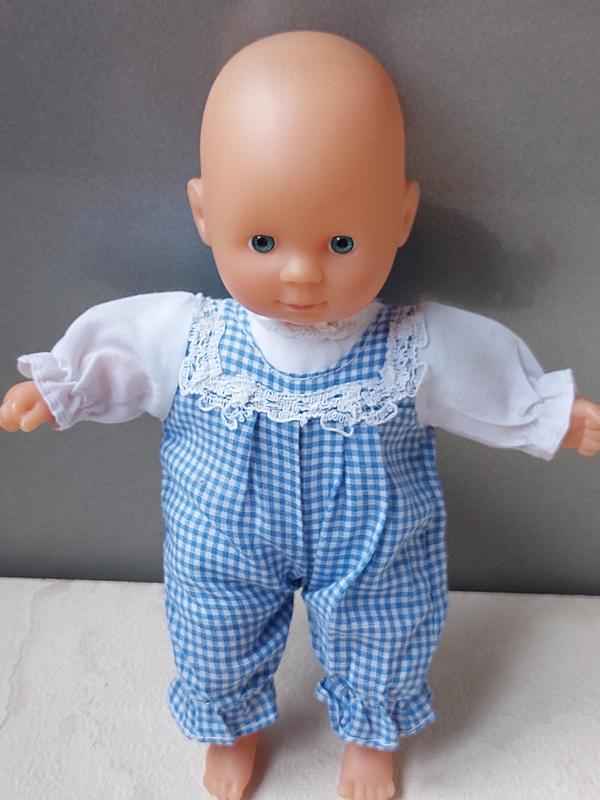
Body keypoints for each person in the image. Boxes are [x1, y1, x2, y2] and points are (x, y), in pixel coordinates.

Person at [1, 30, 599, 800]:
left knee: (386, 623)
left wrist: (549, 413)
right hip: (222, 538)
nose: (301, 273)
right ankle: (231, 725)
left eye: (341, 241)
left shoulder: (412, 345)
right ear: (204, 214)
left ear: (402, 215)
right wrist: (62, 390)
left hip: (373, 542)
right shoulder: (189, 335)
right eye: (262, 239)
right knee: (212, 627)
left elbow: (484, 376)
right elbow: (118, 352)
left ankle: (370, 732)